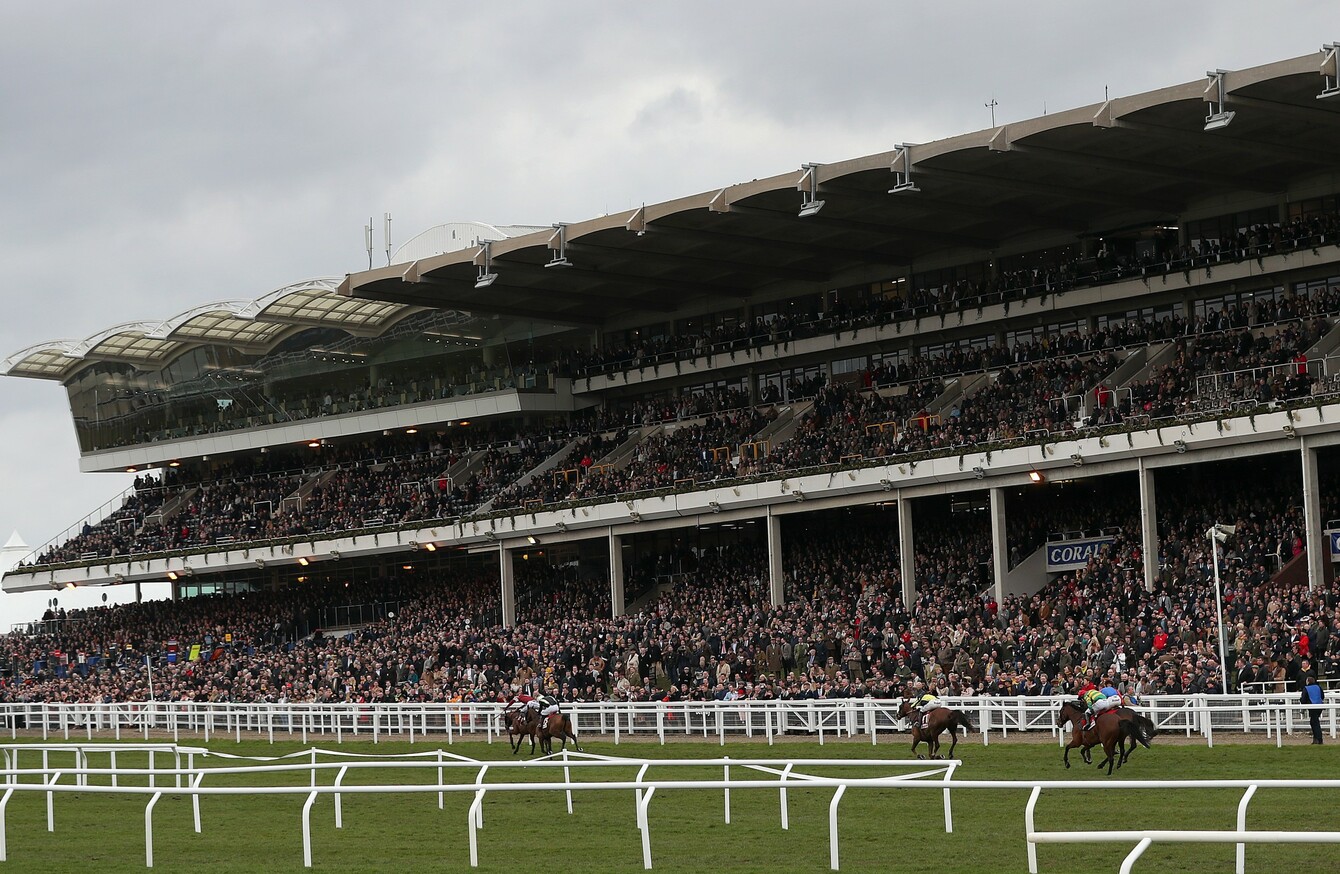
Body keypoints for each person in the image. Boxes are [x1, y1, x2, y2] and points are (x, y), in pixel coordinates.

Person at [1300, 658, 1324, 745]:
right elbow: (1322, 696)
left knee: (1314, 722)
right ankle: (1317, 738)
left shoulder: (1306, 688)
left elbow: (1303, 699)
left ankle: (1318, 739)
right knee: (1314, 721)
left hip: (1312, 706)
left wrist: (1303, 703)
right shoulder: (1318, 687)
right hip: (1320, 706)